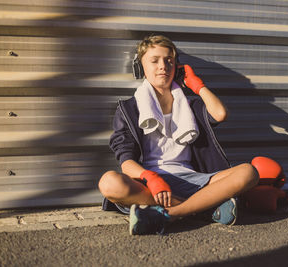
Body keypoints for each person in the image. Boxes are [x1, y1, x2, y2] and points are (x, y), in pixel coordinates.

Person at [98, 35, 259, 235]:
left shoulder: (190, 104)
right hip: (151, 185)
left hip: (195, 180)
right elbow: (126, 163)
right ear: (141, 67)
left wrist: (197, 85)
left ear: (177, 66)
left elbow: (220, 114)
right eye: (154, 60)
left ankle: (170, 214)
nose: (163, 66)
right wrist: (151, 177)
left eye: (169, 60)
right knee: (109, 183)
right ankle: (206, 209)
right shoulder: (128, 109)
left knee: (248, 172)